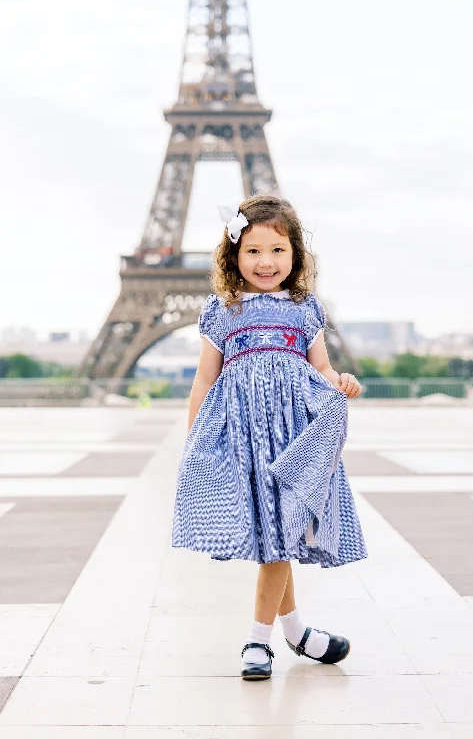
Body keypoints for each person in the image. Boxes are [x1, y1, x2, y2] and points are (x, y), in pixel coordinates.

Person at [172, 194, 368, 681]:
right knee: (274, 538)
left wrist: (339, 382)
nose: (265, 262)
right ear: (233, 256)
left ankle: (258, 641)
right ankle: (299, 632)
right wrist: (196, 439)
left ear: (296, 255)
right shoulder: (223, 309)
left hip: (293, 435)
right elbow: (204, 380)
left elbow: (319, 366)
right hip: (244, 437)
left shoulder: (305, 309)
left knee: (281, 537)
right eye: (253, 251)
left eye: (278, 250)